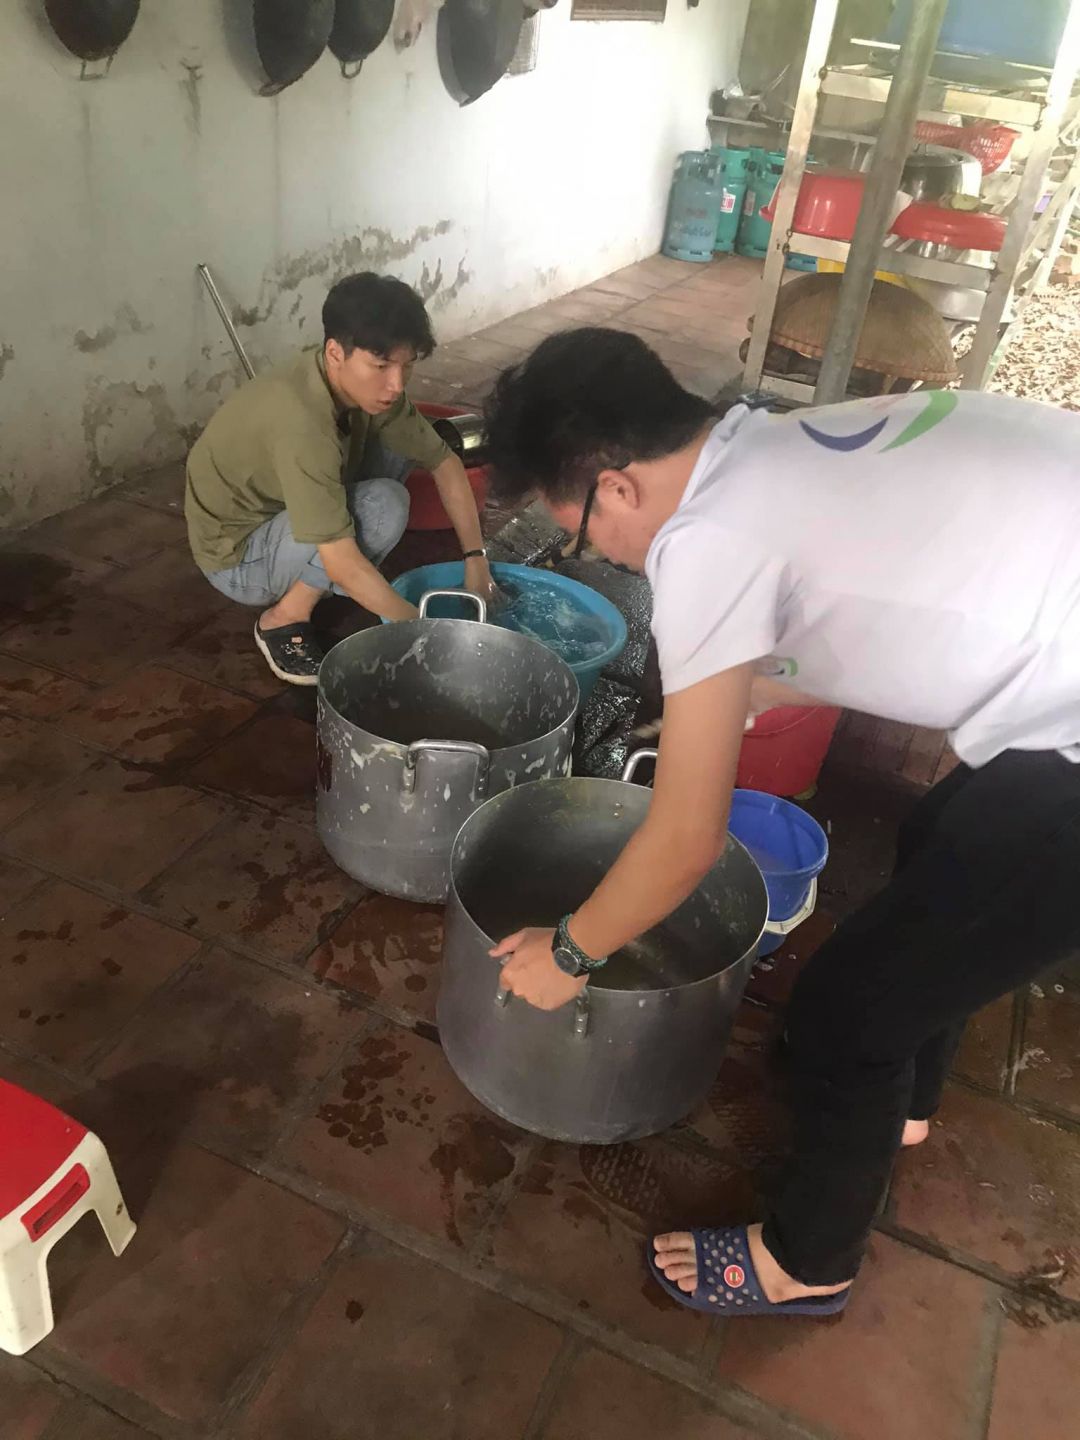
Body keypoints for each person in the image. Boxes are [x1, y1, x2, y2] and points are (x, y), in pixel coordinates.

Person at [482, 325, 1080, 1318]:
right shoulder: (760, 443)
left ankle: (811, 1263)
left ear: (616, 487)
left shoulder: (706, 542)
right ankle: (904, 1107)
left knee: (845, 1017)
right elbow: (845, 604)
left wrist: (573, 954)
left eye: (580, 533)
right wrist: (734, 696)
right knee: (942, 844)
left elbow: (686, 841)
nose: (599, 553)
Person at [185, 272, 497, 684]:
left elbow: (443, 461)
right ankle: (285, 616)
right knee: (384, 506)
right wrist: (424, 632)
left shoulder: (358, 385)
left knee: (403, 441)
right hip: (239, 556)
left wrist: (476, 560)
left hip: (288, 508)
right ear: (335, 352)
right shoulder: (301, 423)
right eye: (381, 366)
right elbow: (343, 562)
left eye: (406, 366)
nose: (395, 384)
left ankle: (341, 573)